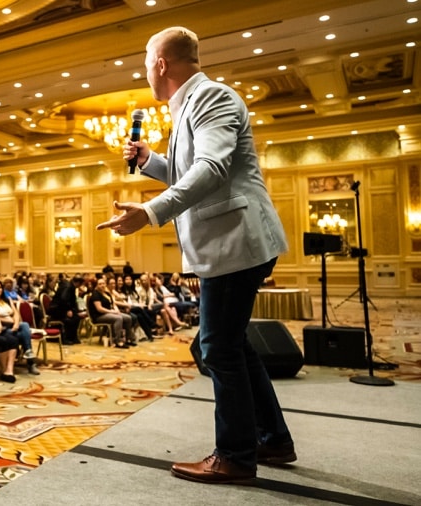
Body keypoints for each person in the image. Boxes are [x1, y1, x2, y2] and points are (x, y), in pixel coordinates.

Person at [98, 26, 294, 484]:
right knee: (232, 345)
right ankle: (272, 439)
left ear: (161, 63)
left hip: (235, 242)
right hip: (226, 243)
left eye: (146, 62)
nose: (145, 71)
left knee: (217, 347)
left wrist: (149, 212)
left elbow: (213, 169)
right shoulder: (187, 106)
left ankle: (236, 455)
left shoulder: (211, 97)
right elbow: (191, 172)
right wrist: (151, 161)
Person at [0, 279, 40, 375]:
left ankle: (28, 354)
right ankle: (30, 361)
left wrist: (15, 324)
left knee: (25, 325)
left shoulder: (7, 300)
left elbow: (16, 313)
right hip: (2, 328)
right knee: (21, 334)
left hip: (14, 326)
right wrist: (11, 322)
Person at [87, 277, 136, 348]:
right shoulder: (95, 295)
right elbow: (99, 309)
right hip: (99, 316)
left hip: (109, 313)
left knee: (128, 318)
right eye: (100, 284)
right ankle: (117, 341)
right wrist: (112, 311)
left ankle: (128, 339)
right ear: (97, 286)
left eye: (103, 283)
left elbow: (113, 304)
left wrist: (117, 311)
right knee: (118, 318)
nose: (102, 285)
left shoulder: (107, 293)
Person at [48, 275, 84, 345]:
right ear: (78, 283)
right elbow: (63, 299)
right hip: (56, 310)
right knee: (71, 318)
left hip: (60, 308)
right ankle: (66, 339)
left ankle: (73, 337)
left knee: (76, 317)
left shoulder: (70, 286)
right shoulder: (68, 287)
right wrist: (68, 310)